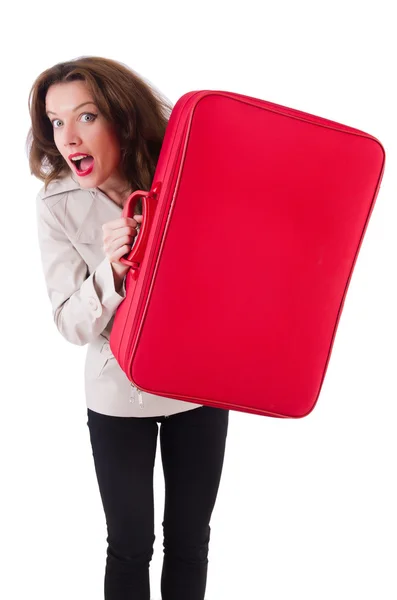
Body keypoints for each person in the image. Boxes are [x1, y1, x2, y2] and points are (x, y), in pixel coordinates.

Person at [27, 56, 229, 600]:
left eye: (86, 116)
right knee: (130, 543)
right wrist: (111, 271)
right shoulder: (55, 206)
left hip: (198, 388)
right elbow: (69, 322)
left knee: (190, 540)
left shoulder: (186, 177)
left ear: (123, 117)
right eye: (55, 121)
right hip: (118, 396)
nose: (67, 136)